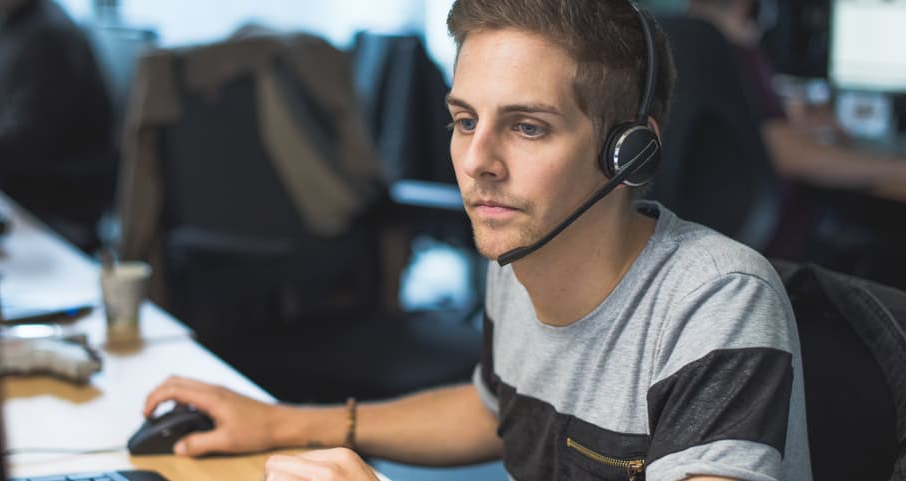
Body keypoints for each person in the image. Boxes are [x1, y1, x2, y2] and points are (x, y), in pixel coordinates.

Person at [144, 1, 813, 480]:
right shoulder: (522, 255)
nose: (476, 161)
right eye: (465, 121)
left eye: (526, 126)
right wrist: (283, 422)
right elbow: (494, 405)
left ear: (628, 153)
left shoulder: (717, 305)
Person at [685, 0, 906, 188]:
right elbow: (786, 154)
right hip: (782, 254)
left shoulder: (676, 46)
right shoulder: (735, 54)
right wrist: (902, 167)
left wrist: (795, 126)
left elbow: (740, 132)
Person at [0, 0, 115, 252]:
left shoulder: (49, 38)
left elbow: (22, 146)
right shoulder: (3, 28)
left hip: (48, 214)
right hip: (11, 201)